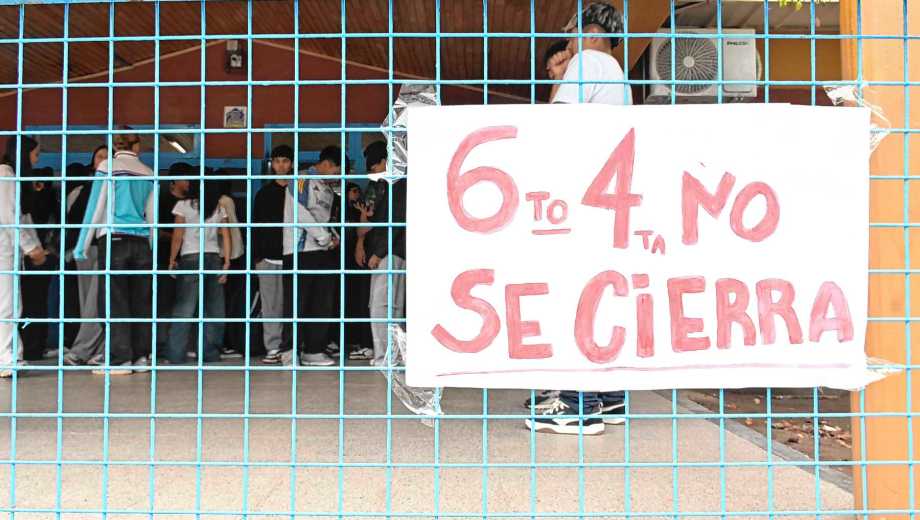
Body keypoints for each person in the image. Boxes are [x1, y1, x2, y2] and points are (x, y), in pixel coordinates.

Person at [526, 1, 629, 435]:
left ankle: (575, 405)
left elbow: (556, 126)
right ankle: (609, 398)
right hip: (605, 198)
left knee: (575, 296)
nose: (566, 44)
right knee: (598, 297)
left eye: (570, 33)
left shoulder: (587, 60)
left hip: (582, 196)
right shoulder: (615, 72)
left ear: (585, 32)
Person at [74, 131, 156, 376]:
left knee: (113, 301)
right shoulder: (148, 171)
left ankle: (120, 359)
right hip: (141, 241)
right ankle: (142, 356)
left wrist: (82, 244)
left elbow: (95, 206)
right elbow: (151, 214)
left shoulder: (109, 166)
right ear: (137, 145)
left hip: (114, 238)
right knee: (140, 301)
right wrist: (150, 243)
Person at [281, 145, 342, 367]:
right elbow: (299, 211)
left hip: (322, 250)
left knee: (321, 302)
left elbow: (324, 219)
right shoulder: (301, 178)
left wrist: (333, 236)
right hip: (300, 251)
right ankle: (289, 352)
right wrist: (323, 237)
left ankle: (314, 350)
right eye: (337, 170)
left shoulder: (327, 188)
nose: (338, 176)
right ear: (327, 164)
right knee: (297, 303)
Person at [166, 176, 230, 364]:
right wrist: (226, 261)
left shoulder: (183, 205)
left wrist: (172, 259)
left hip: (190, 257)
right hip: (213, 257)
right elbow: (226, 235)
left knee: (184, 308)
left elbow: (178, 234)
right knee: (214, 309)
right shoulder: (219, 207)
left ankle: (176, 354)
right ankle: (209, 353)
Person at [0, 136, 47, 378]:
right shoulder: (6, 174)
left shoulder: (12, 175)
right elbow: (9, 215)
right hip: (4, 251)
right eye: (35, 154)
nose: (36, 160)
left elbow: (22, 216)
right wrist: (31, 247)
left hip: (9, 250)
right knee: (7, 305)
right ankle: (6, 358)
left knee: (12, 304)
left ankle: (12, 355)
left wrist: (34, 246)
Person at [358, 141, 406, 367]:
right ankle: (390, 355)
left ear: (384, 162)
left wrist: (378, 252)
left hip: (390, 253)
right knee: (390, 305)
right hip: (392, 252)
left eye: (374, 167)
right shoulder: (390, 186)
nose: (372, 173)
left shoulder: (397, 186)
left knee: (382, 306)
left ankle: (385, 356)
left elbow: (394, 223)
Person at [64, 147, 108, 366]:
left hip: (103, 248)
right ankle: (93, 350)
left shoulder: (111, 186)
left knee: (97, 301)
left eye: (107, 156)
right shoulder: (81, 190)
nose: (103, 160)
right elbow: (72, 222)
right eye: (99, 156)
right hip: (85, 250)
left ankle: (86, 350)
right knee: (87, 302)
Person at [252, 146, 294, 364]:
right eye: (277, 161)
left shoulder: (298, 191)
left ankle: (292, 346)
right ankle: (273, 347)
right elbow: (255, 226)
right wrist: (256, 257)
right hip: (267, 257)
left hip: (292, 256)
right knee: (271, 305)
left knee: (293, 304)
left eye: (285, 161)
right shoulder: (264, 193)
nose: (281, 165)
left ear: (292, 164)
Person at [19, 166, 60, 361]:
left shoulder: (28, 199)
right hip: (37, 255)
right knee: (36, 304)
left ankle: (30, 346)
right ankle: (34, 346)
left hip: (32, 256)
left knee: (29, 304)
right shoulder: (49, 199)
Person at [155, 162, 192, 360]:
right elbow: (156, 231)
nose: (189, 183)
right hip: (164, 260)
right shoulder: (162, 201)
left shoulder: (192, 202)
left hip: (187, 258)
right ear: (174, 180)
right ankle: (160, 346)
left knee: (185, 304)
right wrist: (178, 237)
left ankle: (181, 345)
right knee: (163, 304)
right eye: (186, 179)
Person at [343, 182, 372, 361]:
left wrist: (363, 214)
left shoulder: (363, 211)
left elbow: (364, 233)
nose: (356, 195)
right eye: (352, 191)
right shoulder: (341, 210)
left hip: (360, 262)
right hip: (344, 260)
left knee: (361, 301)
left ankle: (359, 340)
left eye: (357, 191)